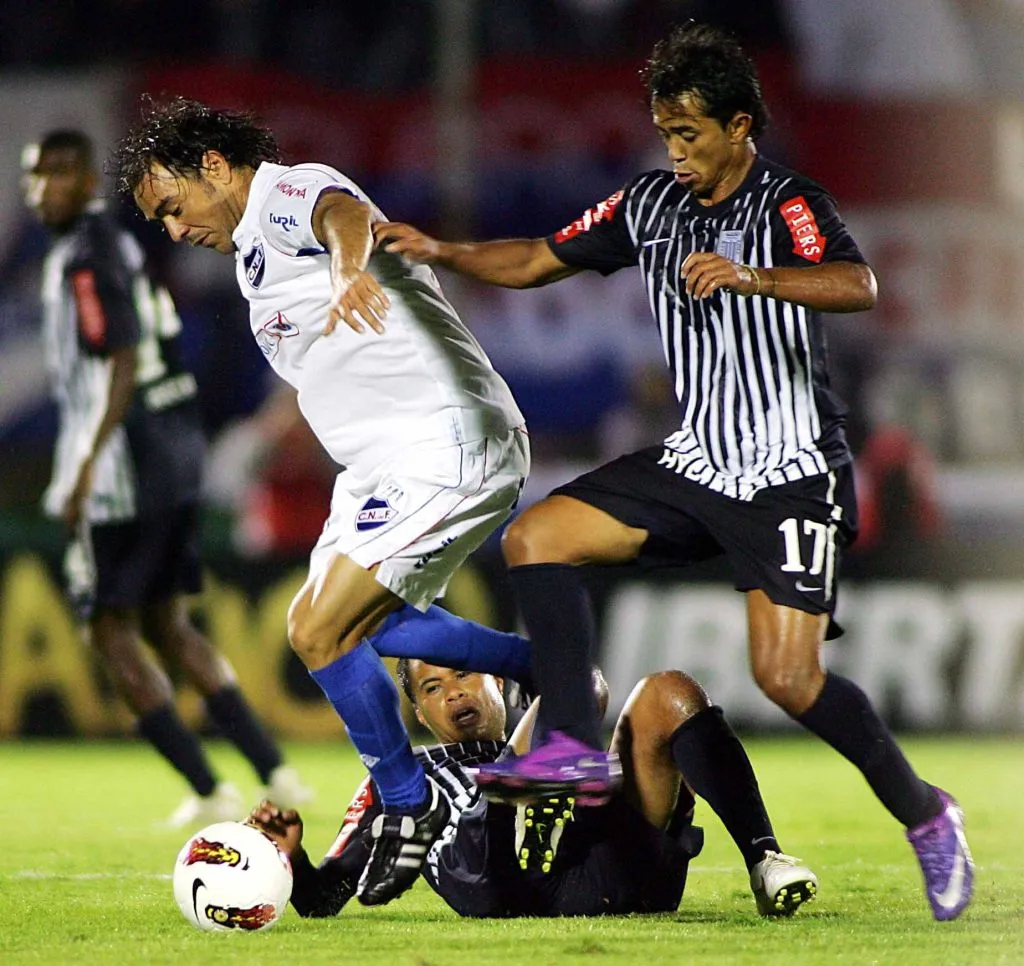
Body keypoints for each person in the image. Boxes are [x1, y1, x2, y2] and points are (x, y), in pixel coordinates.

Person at [373, 23, 974, 922]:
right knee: (539, 535)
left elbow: (857, 284)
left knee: (789, 681)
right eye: (666, 135)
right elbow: (539, 257)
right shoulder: (649, 206)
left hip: (789, 468)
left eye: (690, 134)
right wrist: (443, 253)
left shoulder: (787, 203)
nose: (675, 152)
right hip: (698, 459)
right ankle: (571, 744)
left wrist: (749, 277)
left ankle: (928, 817)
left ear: (740, 126)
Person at [114, 97, 533, 906]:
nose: (172, 230)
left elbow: (344, 215)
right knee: (347, 627)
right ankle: (543, 663)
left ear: (211, 166)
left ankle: (407, 805)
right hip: (379, 465)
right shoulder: (248, 257)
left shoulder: (287, 194)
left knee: (316, 627)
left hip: (439, 440)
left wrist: (346, 267)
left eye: (171, 208)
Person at [23, 129, 313, 828]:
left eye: (58, 174)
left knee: (106, 627)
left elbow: (119, 358)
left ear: (88, 179)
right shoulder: (118, 247)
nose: (42, 190)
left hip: (127, 462)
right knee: (165, 623)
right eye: (33, 177)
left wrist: (85, 464)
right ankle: (274, 769)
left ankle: (207, 783)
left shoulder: (84, 256)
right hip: (171, 446)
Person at [249, 658, 818, 918]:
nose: (453, 694)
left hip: (609, 871)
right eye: (432, 688)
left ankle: (765, 860)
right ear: (420, 713)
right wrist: (292, 856)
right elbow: (322, 902)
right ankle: (520, 800)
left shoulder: (546, 723)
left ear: (495, 679)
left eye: (462, 675)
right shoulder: (399, 779)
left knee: (667, 691)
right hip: (497, 878)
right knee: (578, 691)